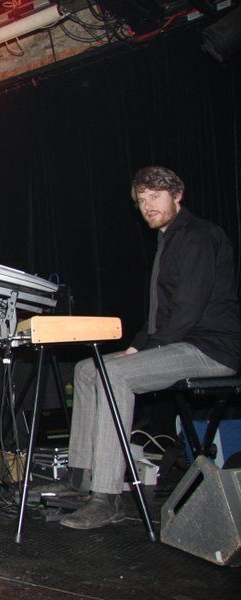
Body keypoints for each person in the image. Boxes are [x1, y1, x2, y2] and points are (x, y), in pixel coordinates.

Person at [46, 166, 241, 530]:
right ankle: (79, 478)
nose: (148, 205)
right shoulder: (169, 239)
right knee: (86, 370)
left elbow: (187, 311)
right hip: (180, 342)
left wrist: (143, 350)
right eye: (142, 200)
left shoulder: (199, 236)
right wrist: (138, 347)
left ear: (177, 196)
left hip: (210, 349)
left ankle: (107, 497)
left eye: (156, 196)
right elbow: (159, 317)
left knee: (114, 375)